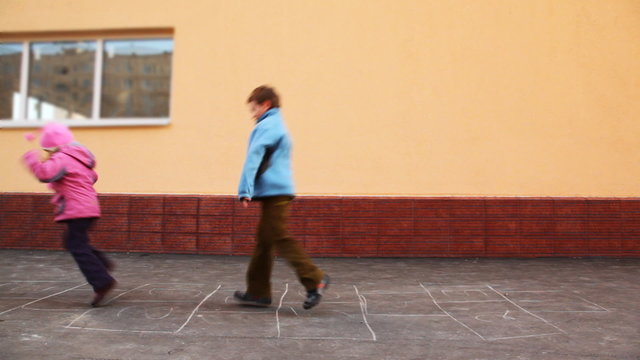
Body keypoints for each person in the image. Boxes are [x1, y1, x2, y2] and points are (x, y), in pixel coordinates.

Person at [234, 85, 329, 310]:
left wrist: (245, 190)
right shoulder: (277, 124)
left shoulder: (267, 125)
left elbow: (254, 157)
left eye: (254, 108)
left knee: (278, 236)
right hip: (276, 190)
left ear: (265, 104)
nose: (253, 113)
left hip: (275, 191)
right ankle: (258, 293)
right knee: (265, 242)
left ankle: (314, 278)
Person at [22, 122, 116, 307]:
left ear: (54, 146)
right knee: (74, 241)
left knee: (76, 244)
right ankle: (101, 264)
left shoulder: (62, 158)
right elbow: (90, 177)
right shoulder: (80, 159)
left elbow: (44, 174)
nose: (48, 154)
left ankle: (102, 281)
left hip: (76, 209)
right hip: (90, 207)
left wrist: (32, 159)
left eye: (48, 149)